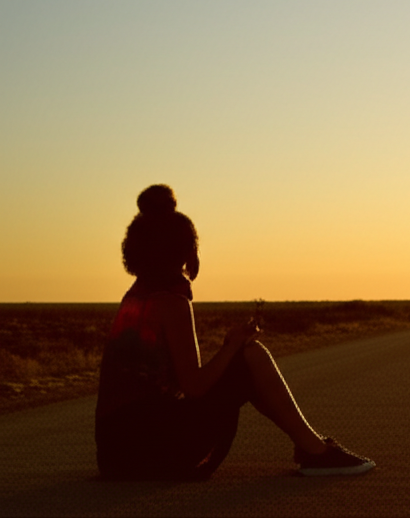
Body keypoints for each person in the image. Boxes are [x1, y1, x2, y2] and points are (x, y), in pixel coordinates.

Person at [95, 184, 374, 480]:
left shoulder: (135, 297)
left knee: (243, 359)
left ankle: (312, 448)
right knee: (250, 355)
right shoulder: (171, 302)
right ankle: (314, 451)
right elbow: (194, 386)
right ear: (187, 251)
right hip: (152, 452)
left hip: (115, 455)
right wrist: (232, 346)